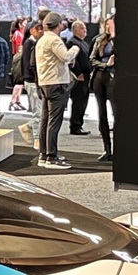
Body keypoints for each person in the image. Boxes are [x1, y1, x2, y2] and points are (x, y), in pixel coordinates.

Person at [34, 14, 74, 169]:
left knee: (45, 120)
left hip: (45, 83)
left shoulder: (41, 40)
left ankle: (43, 155)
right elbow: (65, 57)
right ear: (59, 25)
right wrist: (75, 48)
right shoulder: (54, 40)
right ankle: (51, 157)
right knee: (54, 121)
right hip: (56, 83)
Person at [90, 16, 116, 162]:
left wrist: (114, 36)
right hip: (100, 77)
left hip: (114, 78)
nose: (108, 28)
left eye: (110, 25)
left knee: (116, 113)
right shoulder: (100, 40)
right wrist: (106, 65)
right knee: (102, 114)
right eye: (107, 25)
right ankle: (107, 149)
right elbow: (92, 59)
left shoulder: (119, 41)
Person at [68, 19, 93, 134]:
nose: (85, 30)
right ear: (75, 30)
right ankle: (75, 126)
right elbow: (72, 60)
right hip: (79, 77)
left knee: (83, 101)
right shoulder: (72, 42)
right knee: (78, 102)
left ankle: (79, 124)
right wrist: (78, 73)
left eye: (85, 28)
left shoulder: (83, 43)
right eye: (82, 28)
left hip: (86, 76)